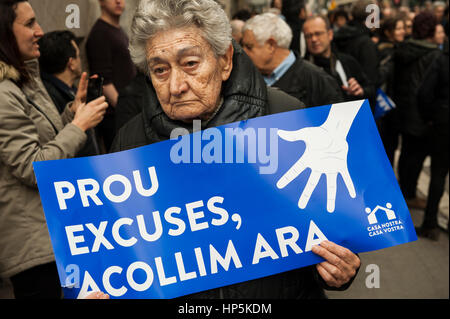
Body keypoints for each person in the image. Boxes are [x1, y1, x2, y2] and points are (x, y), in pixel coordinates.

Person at [111, 0, 360, 299]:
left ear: (225, 61)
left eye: (190, 64)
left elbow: (331, 233)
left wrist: (339, 270)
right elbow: (122, 258)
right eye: (160, 70)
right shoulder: (129, 142)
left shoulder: (287, 117)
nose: (176, 85)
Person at [0, 0, 108, 298]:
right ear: (5, 33)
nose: (40, 31)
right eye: (29, 23)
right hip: (33, 245)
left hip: (51, 235)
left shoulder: (23, 80)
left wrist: (73, 113)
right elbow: (33, 167)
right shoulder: (4, 94)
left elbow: (44, 140)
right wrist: (79, 127)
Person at [241, 13, 344, 108]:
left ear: (271, 45)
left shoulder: (319, 81)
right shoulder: (244, 78)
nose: (243, 52)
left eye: (249, 47)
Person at [393, 11, 442, 210]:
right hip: (420, 113)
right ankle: (409, 195)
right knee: (416, 156)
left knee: (406, 152)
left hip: (401, 108)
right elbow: (429, 87)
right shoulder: (434, 54)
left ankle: (404, 191)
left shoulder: (404, 48)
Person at [38, 30, 100, 157]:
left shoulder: (71, 90)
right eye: (78, 56)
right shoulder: (50, 98)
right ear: (71, 63)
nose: (80, 60)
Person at [85, 0, 137, 152]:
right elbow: (104, 82)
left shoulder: (117, 29)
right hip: (114, 115)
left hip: (125, 110)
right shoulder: (100, 33)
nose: (118, 1)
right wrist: (124, 111)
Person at [415, 36, 448, 241]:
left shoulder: (441, 59)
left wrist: (430, 117)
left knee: (438, 174)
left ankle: (430, 223)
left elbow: (424, 92)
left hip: (443, 123)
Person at [302, 15, 375, 103]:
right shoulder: (301, 71)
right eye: (308, 36)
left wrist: (360, 90)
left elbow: (370, 88)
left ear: (330, 34)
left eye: (318, 33)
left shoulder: (347, 62)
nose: (313, 39)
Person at [375, 16, 406, 165]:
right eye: (398, 29)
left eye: (403, 28)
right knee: (387, 147)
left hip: (389, 106)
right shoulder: (388, 51)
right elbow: (380, 77)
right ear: (388, 32)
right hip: (386, 106)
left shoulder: (394, 48)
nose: (403, 32)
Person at [333, 0, 379, 93]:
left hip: (342, 91)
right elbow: (371, 79)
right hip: (361, 95)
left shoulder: (339, 35)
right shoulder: (366, 43)